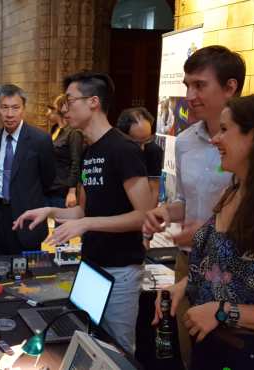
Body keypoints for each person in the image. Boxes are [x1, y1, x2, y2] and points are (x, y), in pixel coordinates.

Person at [152, 93, 254, 369]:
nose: (214, 139)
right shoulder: (230, 192)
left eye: (224, 130)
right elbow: (223, 268)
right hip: (210, 346)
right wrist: (182, 286)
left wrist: (223, 312)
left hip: (250, 356)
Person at [14, 72, 153, 353]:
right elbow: (84, 211)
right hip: (92, 266)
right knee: (89, 342)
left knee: (117, 351)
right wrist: (50, 211)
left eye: (70, 100)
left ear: (93, 102)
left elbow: (144, 216)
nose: (65, 108)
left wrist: (87, 223)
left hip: (121, 271)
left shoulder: (122, 150)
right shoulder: (91, 152)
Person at [142, 45, 244, 365]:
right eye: (187, 85)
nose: (190, 94)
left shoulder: (252, 144)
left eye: (200, 85)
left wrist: (209, 231)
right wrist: (164, 212)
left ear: (231, 87)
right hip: (190, 262)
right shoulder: (185, 141)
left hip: (238, 267)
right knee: (192, 353)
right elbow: (185, 202)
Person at [0, 84, 56, 256]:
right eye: (4, 107)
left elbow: (48, 179)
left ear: (23, 108)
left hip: (26, 217)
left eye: (15, 107)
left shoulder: (40, 140)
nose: (9, 114)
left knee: (26, 276)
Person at [45, 94, 84, 208]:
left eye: (51, 109)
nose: (47, 112)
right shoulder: (55, 129)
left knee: (61, 224)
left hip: (62, 190)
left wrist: (71, 191)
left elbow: (76, 162)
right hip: (50, 187)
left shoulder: (73, 132)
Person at [116, 106, 164, 199]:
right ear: (122, 136)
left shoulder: (153, 151)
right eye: (137, 143)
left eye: (147, 140)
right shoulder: (114, 150)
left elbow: (154, 191)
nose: (142, 148)